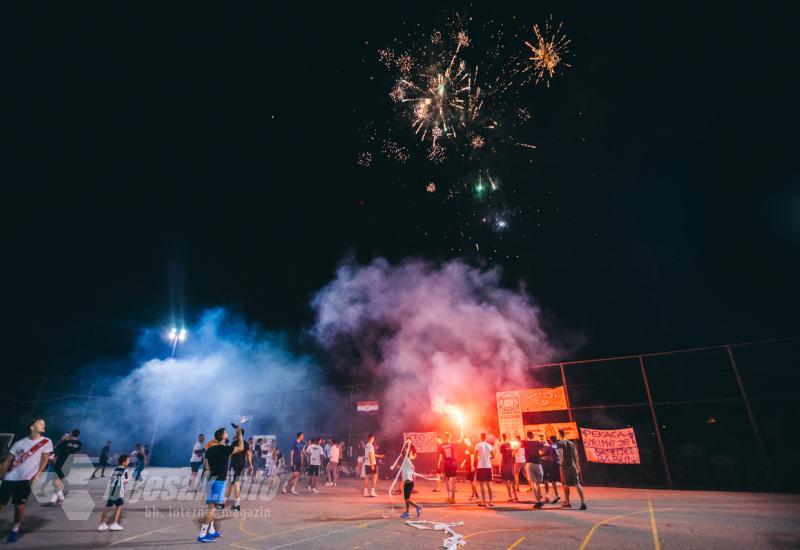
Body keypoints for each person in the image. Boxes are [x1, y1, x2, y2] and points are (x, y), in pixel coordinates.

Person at [0, 418, 53, 543]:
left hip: (25, 480)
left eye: (44, 424)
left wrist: (37, 474)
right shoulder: (19, 443)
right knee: (1, 505)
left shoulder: (46, 441)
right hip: (10, 478)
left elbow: (45, 459)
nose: (43, 425)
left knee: (19, 507)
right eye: (40, 423)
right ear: (32, 427)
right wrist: (2, 474)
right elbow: (8, 460)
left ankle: (15, 528)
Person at [197, 425, 245, 543]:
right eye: (226, 433)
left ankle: (212, 530)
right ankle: (202, 534)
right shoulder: (225, 449)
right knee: (212, 509)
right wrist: (239, 434)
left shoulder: (209, 450)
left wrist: (207, 483)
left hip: (211, 480)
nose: (227, 434)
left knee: (211, 506)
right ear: (222, 436)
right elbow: (241, 447)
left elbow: (207, 467)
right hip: (218, 481)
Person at [48, 429, 82, 505]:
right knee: (60, 481)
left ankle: (61, 497)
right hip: (69, 462)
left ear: (71, 433)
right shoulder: (79, 443)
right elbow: (75, 450)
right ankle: (54, 499)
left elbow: (55, 448)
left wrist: (62, 440)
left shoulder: (65, 442)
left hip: (61, 461)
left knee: (55, 481)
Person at [97, 454, 129, 531]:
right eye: (128, 461)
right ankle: (115, 523)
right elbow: (125, 482)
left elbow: (111, 480)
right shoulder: (125, 471)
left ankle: (102, 524)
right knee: (119, 507)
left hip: (112, 491)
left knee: (108, 507)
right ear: (124, 462)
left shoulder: (114, 470)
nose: (128, 462)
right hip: (119, 492)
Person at [556, 429, 587, 510]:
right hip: (572, 465)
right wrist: (577, 465)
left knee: (566, 485)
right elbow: (575, 455)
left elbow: (560, 454)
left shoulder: (559, 443)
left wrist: (561, 465)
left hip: (565, 466)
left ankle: (568, 502)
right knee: (577, 483)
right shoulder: (571, 443)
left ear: (559, 434)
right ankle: (583, 502)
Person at [224, 428, 251, 510]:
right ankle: (224, 503)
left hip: (234, 465)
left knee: (234, 484)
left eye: (236, 432)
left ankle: (236, 505)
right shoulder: (246, 443)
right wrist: (250, 465)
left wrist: (227, 466)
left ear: (239, 434)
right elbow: (248, 455)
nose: (235, 434)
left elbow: (229, 454)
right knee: (232, 484)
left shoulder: (235, 443)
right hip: (240, 465)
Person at [399, 442, 423, 519]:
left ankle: (418, 506)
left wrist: (405, 448)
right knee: (406, 499)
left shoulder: (406, 459)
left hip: (409, 482)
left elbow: (405, 453)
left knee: (407, 499)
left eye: (402, 453)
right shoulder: (406, 460)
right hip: (407, 482)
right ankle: (407, 512)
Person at [523, 431, 544, 509]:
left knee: (533, 483)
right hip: (537, 464)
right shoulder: (537, 442)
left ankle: (537, 501)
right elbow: (542, 450)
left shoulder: (525, 443)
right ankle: (540, 499)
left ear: (527, 436)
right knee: (538, 483)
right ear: (533, 436)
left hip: (529, 464)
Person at [437, 432, 459, 504]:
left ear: (444, 437)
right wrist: (462, 432)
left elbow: (440, 456)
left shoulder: (441, 445)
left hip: (446, 464)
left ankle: (449, 497)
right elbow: (460, 440)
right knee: (453, 482)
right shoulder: (452, 444)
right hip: (453, 463)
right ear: (450, 437)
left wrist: (438, 463)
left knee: (447, 481)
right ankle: (453, 498)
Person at [474, 433, 494, 508]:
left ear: (480, 437)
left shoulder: (478, 445)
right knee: (489, 484)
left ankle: (483, 501)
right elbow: (493, 455)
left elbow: (475, 457)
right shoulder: (489, 445)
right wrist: (488, 458)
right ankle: (491, 501)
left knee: (481, 485)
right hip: (488, 466)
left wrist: (478, 459)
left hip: (481, 466)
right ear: (485, 438)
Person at [541, 435, 561, 503]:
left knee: (547, 480)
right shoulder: (558, 446)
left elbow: (551, 456)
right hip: (558, 464)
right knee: (555, 481)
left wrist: (545, 457)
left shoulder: (550, 447)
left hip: (551, 465)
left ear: (550, 440)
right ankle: (557, 495)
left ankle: (548, 495)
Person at [499, 434, 518, 502]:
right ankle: (515, 496)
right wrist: (515, 449)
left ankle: (510, 497)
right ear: (507, 437)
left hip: (505, 464)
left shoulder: (502, 445)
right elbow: (512, 455)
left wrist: (500, 466)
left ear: (502, 438)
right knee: (512, 480)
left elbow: (501, 457)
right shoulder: (510, 445)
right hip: (510, 465)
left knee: (507, 481)